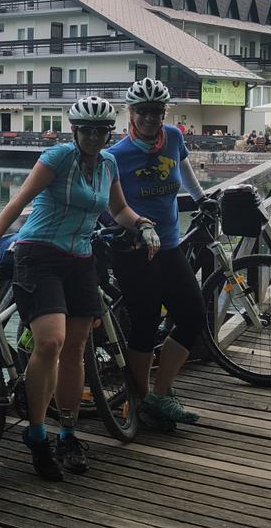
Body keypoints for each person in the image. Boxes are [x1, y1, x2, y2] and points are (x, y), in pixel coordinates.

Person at [0, 96, 159, 481]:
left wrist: (143, 224)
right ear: (75, 131)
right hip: (39, 255)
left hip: (82, 259)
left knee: (77, 349)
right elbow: (20, 200)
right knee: (51, 341)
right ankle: (36, 434)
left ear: (108, 133)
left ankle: (68, 433)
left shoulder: (109, 163)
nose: (94, 137)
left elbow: (118, 210)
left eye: (101, 130)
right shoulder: (57, 158)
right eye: (87, 130)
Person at [107, 77, 213, 431]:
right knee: (145, 322)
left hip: (168, 244)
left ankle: (162, 393)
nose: (151, 118)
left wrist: (201, 198)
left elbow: (182, 168)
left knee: (194, 314)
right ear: (131, 113)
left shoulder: (175, 137)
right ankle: (139, 400)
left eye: (157, 111)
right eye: (143, 111)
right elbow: (104, 203)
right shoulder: (116, 156)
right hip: (134, 250)